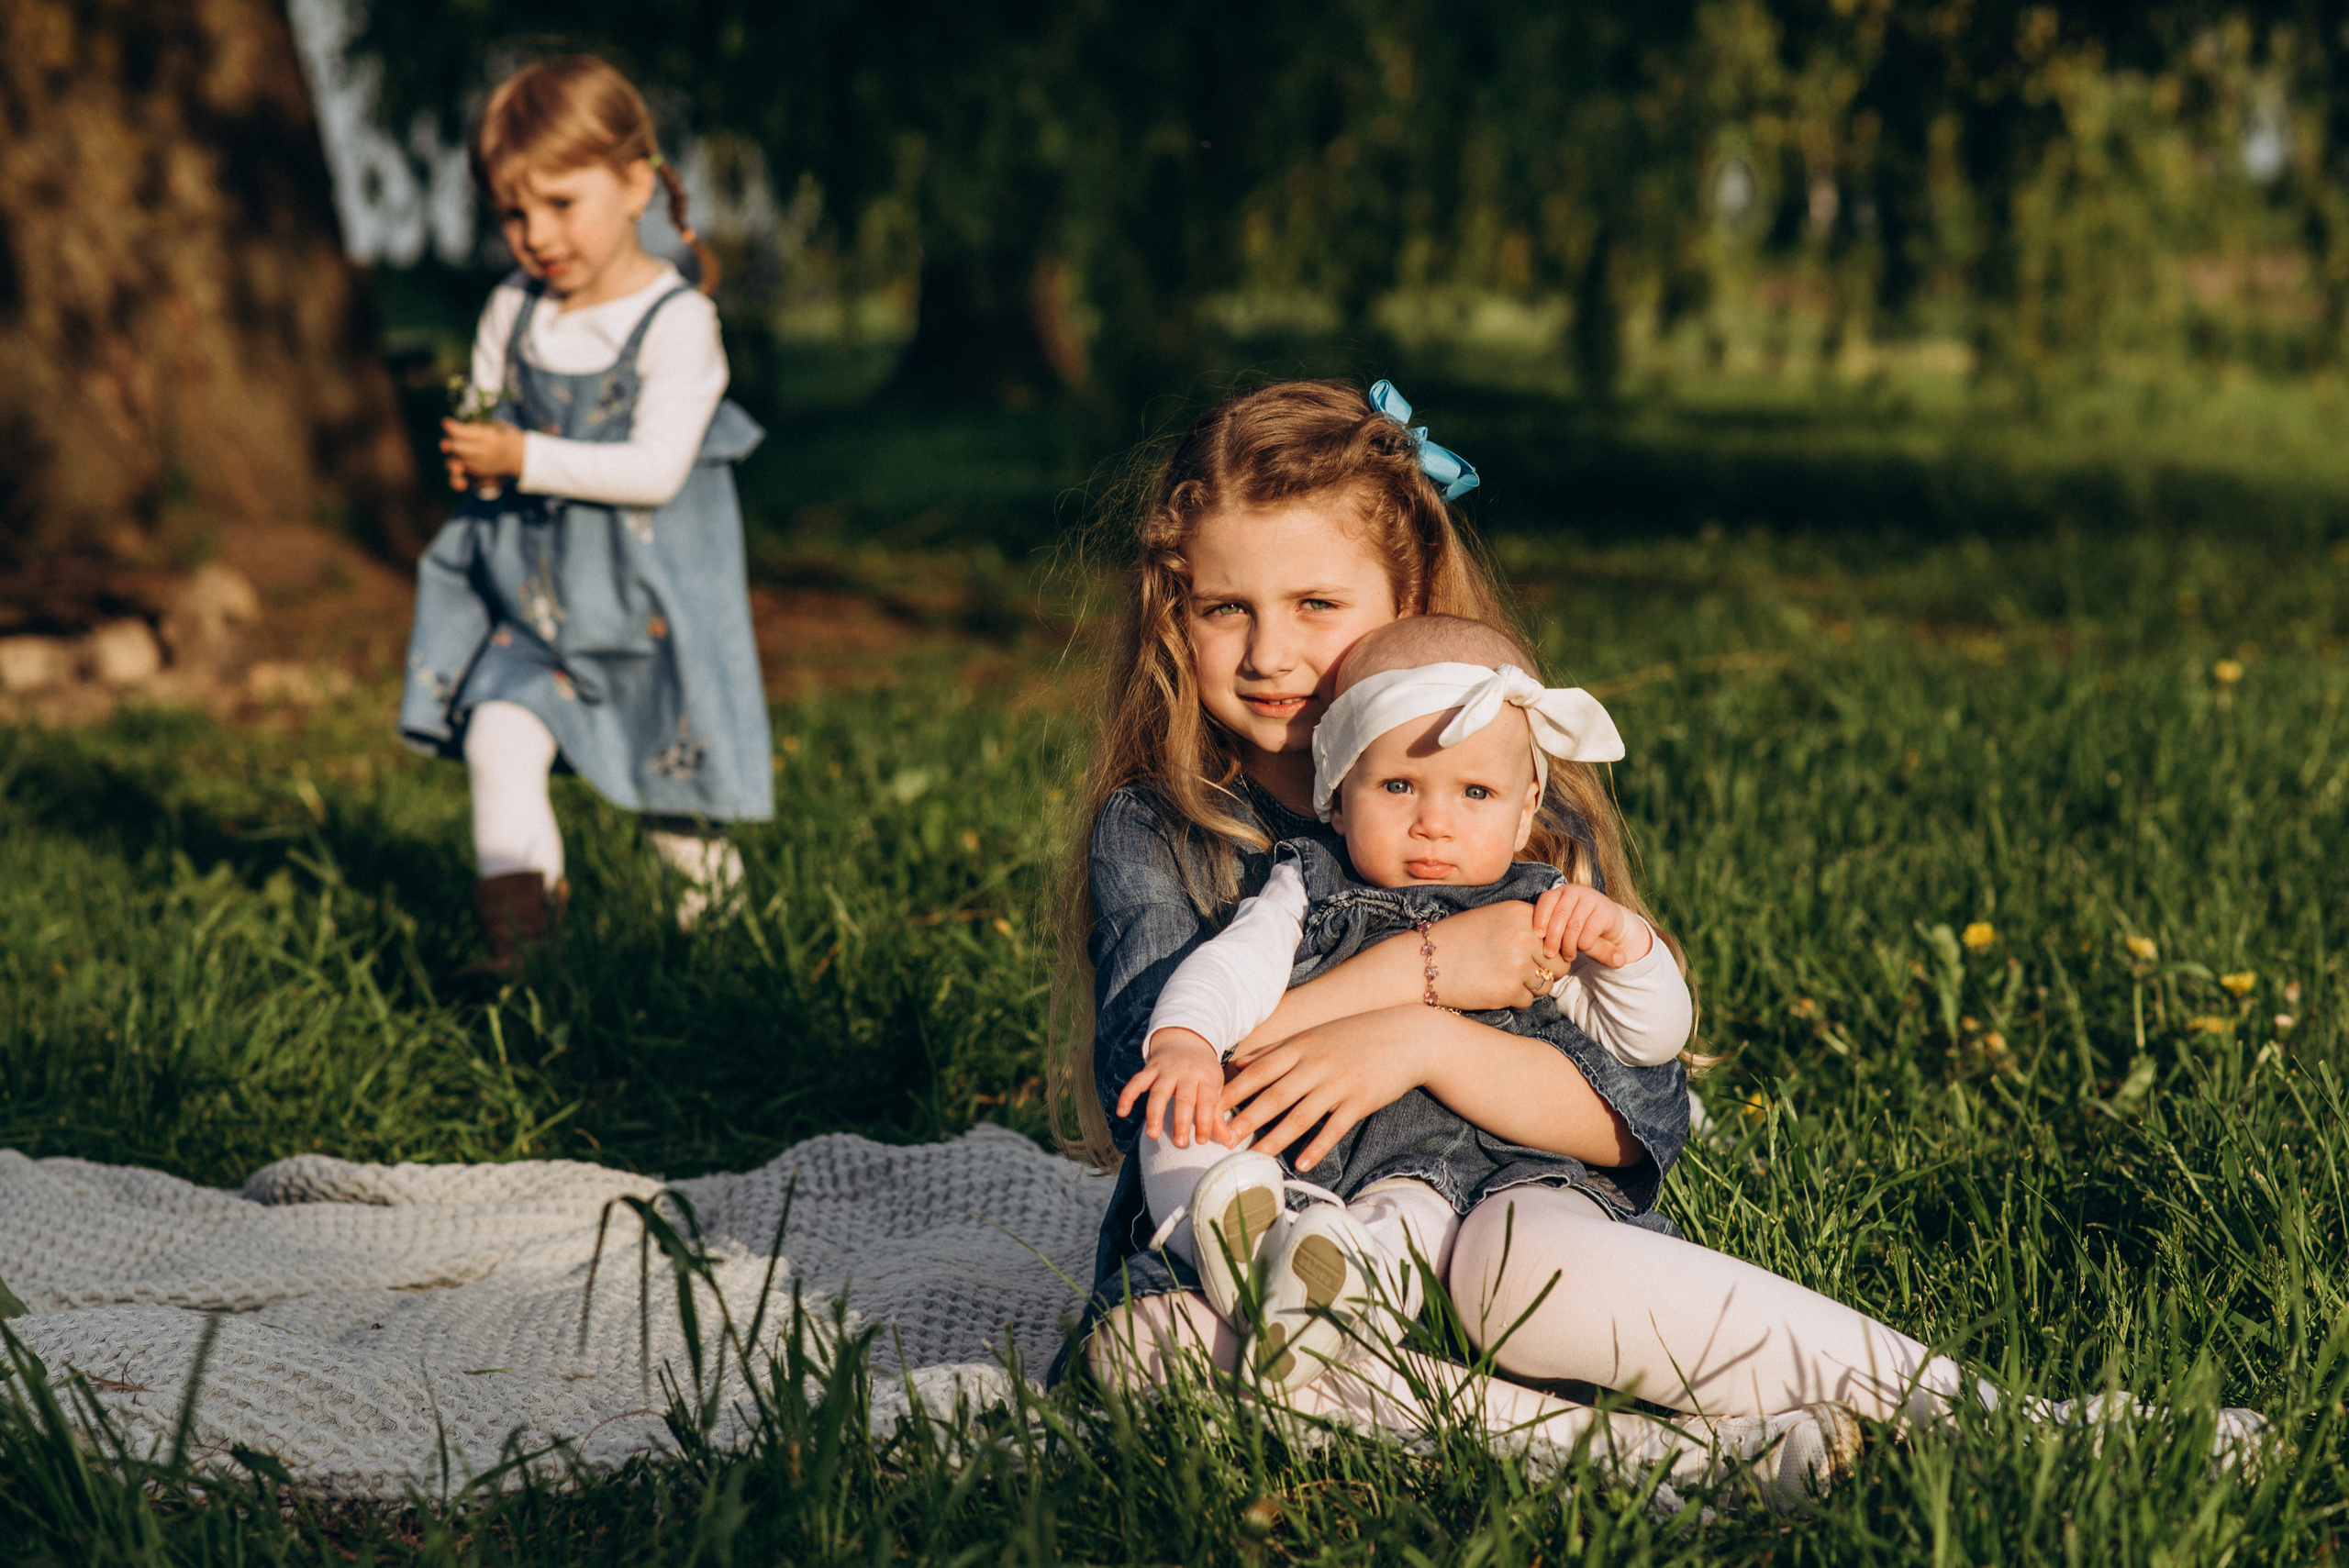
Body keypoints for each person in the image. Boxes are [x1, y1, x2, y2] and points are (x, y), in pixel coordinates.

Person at [1050, 377, 2262, 1488]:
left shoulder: (1507, 804)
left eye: (1316, 603)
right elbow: (1152, 1088)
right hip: (1266, 1252)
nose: (1271, 654)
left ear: (1407, 603)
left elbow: (1637, 1107)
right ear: (1175, 613)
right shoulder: (1162, 826)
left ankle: (2008, 1423)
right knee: (1149, 1357)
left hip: (1499, 1209)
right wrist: (1418, 971)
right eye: (1225, 608)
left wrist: (1425, 1033)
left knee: (1525, 1261)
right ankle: (1679, 1473)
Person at [1120, 613, 1696, 1396]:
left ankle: (1333, 1290)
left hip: (1435, 1167)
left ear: (1527, 808)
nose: (1434, 819)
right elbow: (1230, 967)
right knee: (1181, 1125)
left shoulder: (1539, 916)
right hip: (1278, 1150)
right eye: (1397, 785)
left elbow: (1650, 1040)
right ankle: (1248, 1247)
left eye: (1476, 791)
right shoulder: (1303, 883)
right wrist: (1184, 1041)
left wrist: (1630, 949)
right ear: (1336, 795)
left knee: (1414, 1216)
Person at [398, 55, 771, 969]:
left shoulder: (676, 323)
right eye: (514, 214)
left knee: (674, 801)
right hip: (538, 605)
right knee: (497, 735)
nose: (536, 234)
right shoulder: (514, 310)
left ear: (637, 183)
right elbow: (490, 413)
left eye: (561, 204)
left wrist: (521, 456)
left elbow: (652, 470)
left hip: (650, 611)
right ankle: (523, 955)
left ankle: (721, 968)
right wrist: (479, 465)